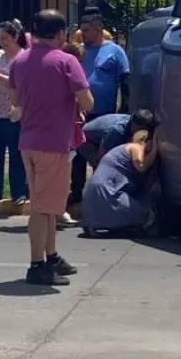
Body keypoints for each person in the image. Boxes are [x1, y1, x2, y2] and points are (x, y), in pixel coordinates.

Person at [9, 9, 94, 286]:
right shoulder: (66, 61)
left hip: (29, 140)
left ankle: (51, 255)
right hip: (53, 143)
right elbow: (88, 102)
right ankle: (37, 265)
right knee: (43, 209)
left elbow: (15, 100)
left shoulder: (19, 60)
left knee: (46, 204)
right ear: (60, 34)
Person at [70, 14, 130, 216]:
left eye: (86, 30)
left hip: (103, 114)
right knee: (76, 154)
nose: (82, 34)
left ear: (98, 28)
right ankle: (76, 192)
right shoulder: (80, 51)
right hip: (79, 113)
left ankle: (98, 196)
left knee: (101, 156)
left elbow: (125, 81)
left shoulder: (115, 51)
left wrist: (124, 110)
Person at [0, 20, 29, 204]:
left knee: (16, 156)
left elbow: (22, 84)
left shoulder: (24, 58)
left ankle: (18, 192)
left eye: (5, 38)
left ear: (16, 37)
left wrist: (0, 77)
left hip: (13, 112)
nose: (1, 42)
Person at [80, 134, 159, 237]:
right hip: (107, 188)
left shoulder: (120, 149)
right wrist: (154, 151)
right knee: (143, 211)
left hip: (96, 186)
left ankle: (94, 224)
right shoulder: (135, 147)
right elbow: (141, 166)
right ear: (144, 140)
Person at [78, 110, 158, 166]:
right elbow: (102, 153)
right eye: (143, 129)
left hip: (98, 136)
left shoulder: (133, 121)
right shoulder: (118, 131)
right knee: (104, 167)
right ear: (136, 126)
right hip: (86, 141)